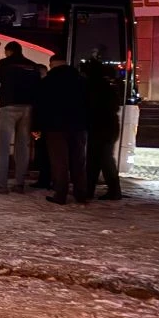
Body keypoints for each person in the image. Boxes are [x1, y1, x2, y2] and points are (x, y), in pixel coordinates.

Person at [0, 41, 40, 193]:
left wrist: (3, 97)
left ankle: (1, 184)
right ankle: (20, 184)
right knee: (22, 146)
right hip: (28, 108)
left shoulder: (5, 63)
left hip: (8, 107)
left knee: (3, 146)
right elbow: (38, 89)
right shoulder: (32, 65)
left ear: (9, 51)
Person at [35, 52, 90, 205]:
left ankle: (61, 194)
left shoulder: (47, 82)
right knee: (78, 161)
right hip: (78, 127)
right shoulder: (81, 81)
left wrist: (38, 126)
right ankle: (81, 194)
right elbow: (89, 104)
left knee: (60, 162)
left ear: (51, 64)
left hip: (55, 128)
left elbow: (40, 105)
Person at [83, 59, 122, 200]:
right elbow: (115, 106)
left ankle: (90, 190)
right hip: (110, 126)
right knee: (105, 158)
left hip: (98, 127)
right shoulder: (108, 86)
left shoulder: (91, 86)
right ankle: (113, 190)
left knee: (96, 159)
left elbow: (89, 107)